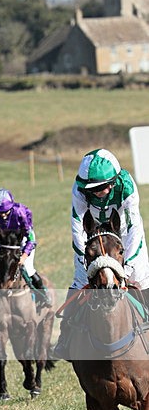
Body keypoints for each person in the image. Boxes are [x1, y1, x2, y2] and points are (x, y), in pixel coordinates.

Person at [53, 147, 149, 359]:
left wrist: (128, 266)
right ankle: (65, 337)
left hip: (122, 229)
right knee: (79, 280)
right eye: (93, 188)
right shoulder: (79, 191)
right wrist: (84, 262)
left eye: (103, 187)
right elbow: (77, 227)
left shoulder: (127, 187)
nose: (97, 192)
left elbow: (133, 230)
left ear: (113, 182)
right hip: (92, 231)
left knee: (139, 278)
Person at [0, 188, 52, 311]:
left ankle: (43, 296)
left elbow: (31, 238)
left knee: (28, 268)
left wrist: (24, 255)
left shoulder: (21, 212)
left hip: (23, 242)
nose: (3, 215)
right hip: (5, 245)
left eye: (6, 212)